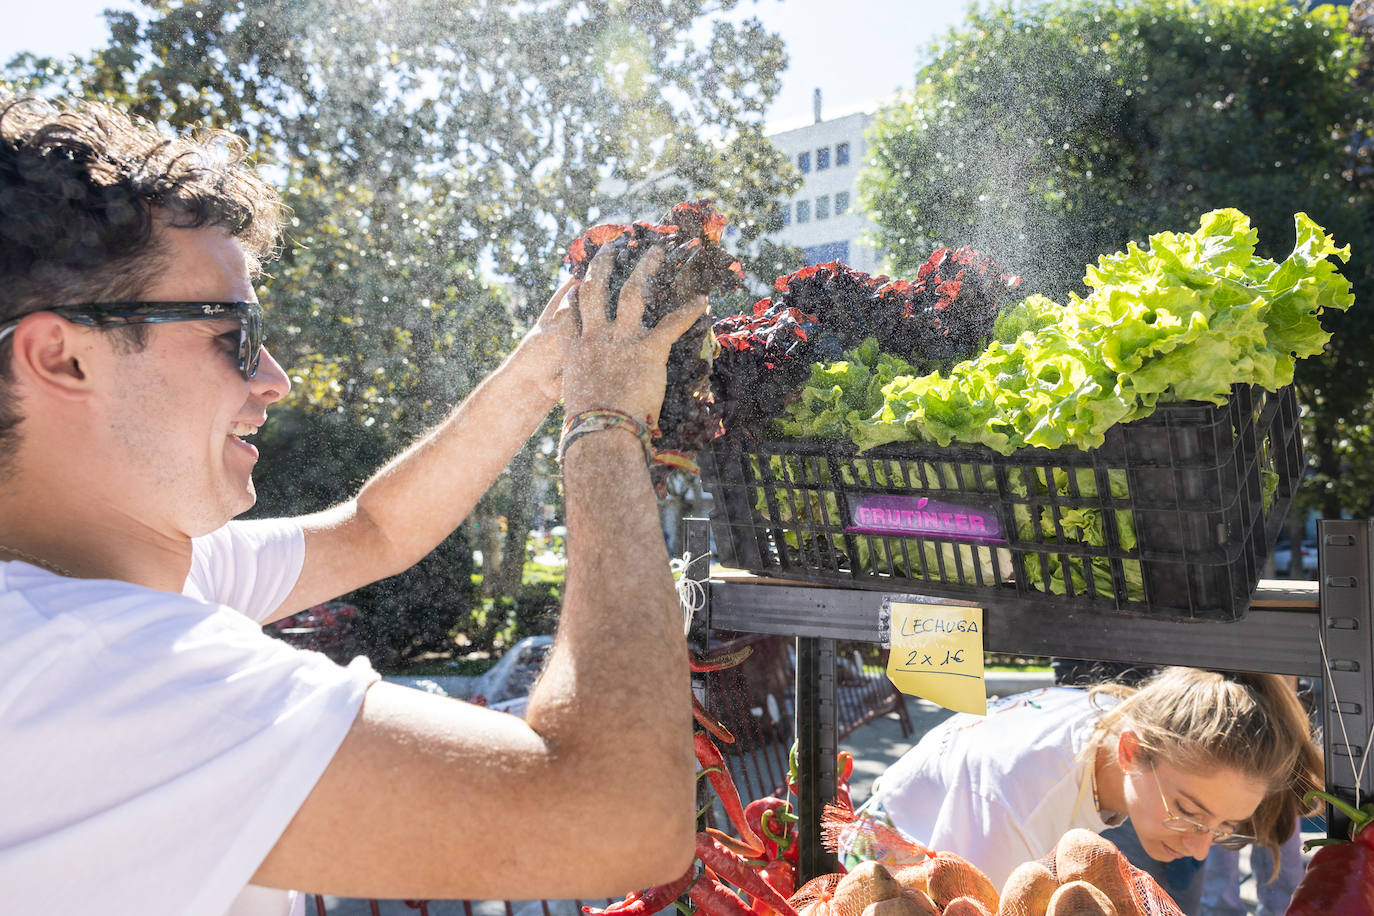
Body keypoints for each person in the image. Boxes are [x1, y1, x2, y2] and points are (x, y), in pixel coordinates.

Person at [0, 94, 702, 914]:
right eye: (233, 332)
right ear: (64, 358)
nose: (273, 378)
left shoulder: (106, 583)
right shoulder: (97, 673)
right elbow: (617, 816)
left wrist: (544, 368)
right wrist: (605, 422)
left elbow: (375, 530)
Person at [839, 667, 1322, 909]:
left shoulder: (1117, 722)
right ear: (1133, 751)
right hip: (887, 865)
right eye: (1187, 811)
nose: (1199, 849)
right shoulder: (1021, 797)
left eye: (1222, 829)